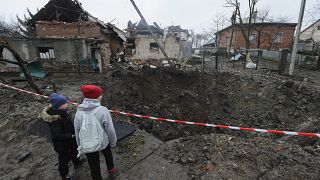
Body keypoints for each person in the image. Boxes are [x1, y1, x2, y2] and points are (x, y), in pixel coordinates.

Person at [74, 85, 117, 180]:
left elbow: (77, 131)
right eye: (100, 95)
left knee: (93, 165)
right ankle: (111, 169)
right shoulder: (103, 110)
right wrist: (113, 142)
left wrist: (80, 145)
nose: (101, 96)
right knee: (108, 154)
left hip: (88, 144)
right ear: (96, 97)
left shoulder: (79, 112)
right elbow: (110, 129)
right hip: (103, 141)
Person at [39, 93, 82, 180]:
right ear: (59, 105)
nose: (67, 104)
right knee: (64, 159)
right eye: (64, 103)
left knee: (74, 151)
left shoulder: (63, 112)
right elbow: (56, 135)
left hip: (70, 140)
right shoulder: (55, 119)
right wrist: (71, 135)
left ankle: (77, 162)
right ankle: (64, 174)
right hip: (62, 145)